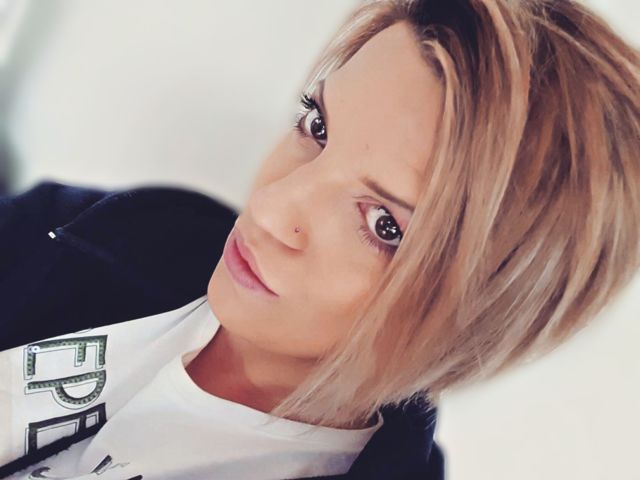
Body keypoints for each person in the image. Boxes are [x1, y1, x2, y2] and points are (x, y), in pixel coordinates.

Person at [1, 0, 639, 478]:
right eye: (318, 126)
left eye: (384, 224)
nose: (271, 208)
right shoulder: (131, 229)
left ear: (484, 313)